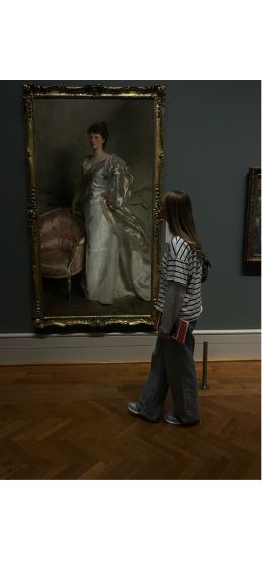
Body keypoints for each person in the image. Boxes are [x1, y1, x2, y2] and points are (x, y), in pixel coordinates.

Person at [127, 190, 206, 426]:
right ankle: (148, 407)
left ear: (172, 211)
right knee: (161, 361)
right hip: (177, 316)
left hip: (177, 318)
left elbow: (176, 291)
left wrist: (166, 324)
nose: (159, 208)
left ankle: (188, 415)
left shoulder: (179, 245)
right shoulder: (187, 242)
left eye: (163, 205)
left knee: (180, 368)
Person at [73, 121, 152, 304]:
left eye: (96, 137)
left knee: (100, 247)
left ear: (103, 140)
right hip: (88, 209)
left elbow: (125, 179)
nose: (92, 140)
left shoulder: (111, 161)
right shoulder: (86, 161)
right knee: (92, 247)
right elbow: (81, 185)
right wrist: (74, 200)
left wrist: (113, 193)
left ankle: (101, 291)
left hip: (102, 211)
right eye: (90, 137)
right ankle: (93, 288)